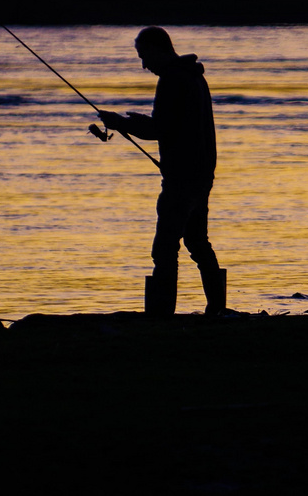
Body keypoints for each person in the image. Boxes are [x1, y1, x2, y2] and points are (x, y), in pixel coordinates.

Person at [97, 27, 226, 316]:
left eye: (144, 56)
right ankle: (217, 308)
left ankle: (162, 314)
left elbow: (160, 129)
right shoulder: (194, 76)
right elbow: (176, 123)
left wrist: (121, 122)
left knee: (165, 247)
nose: (144, 65)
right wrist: (135, 122)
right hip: (202, 174)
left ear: (158, 49)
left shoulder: (172, 79)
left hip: (182, 178)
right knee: (197, 241)